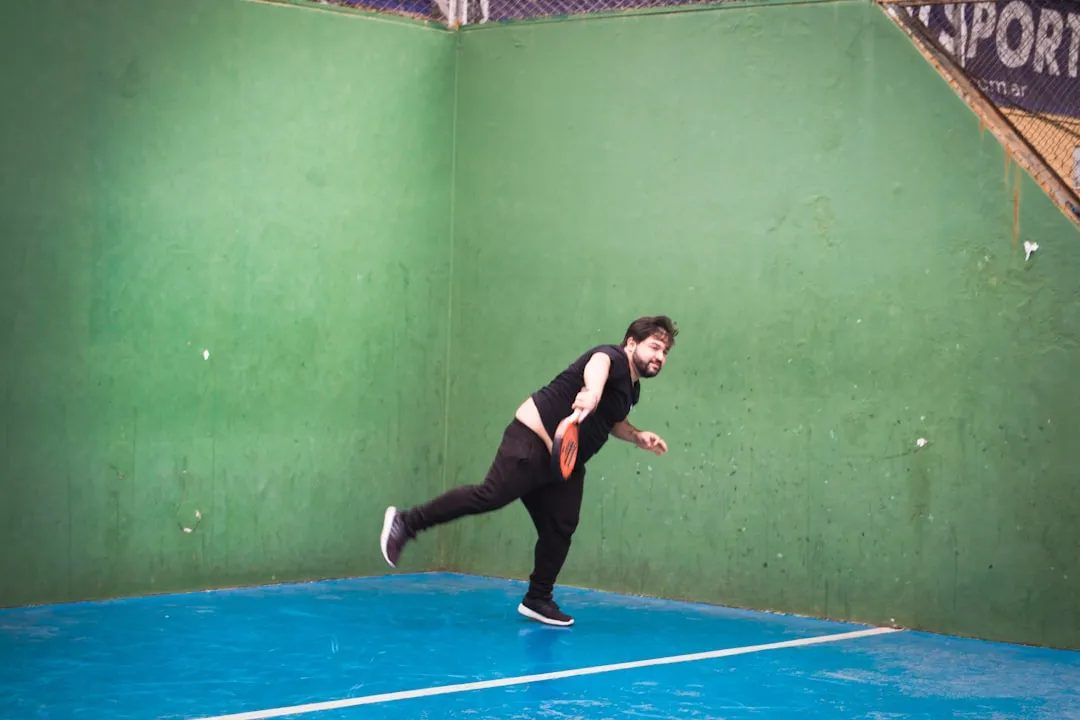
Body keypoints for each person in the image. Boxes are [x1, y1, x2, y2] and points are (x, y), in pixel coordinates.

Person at [379, 315, 678, 626]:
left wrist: (637, 436)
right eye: (654, 347)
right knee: (490, 496)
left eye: (665, 352)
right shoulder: (612, 357)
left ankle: (538, 598)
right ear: (631, 343)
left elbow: (613, 421)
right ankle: (406, 522)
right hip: (532, 440)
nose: (659, 356)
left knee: (561, 526)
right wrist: (591, 391)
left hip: (564, 461)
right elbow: (598, 365)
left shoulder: (632, 390)